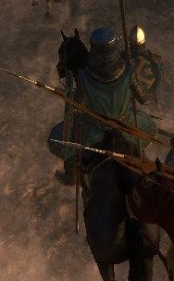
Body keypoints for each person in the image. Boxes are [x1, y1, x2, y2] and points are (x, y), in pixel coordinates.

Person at [49, 27, 158, 180]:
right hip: (124, 124)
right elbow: (143, 98)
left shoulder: (83, 75)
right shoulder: (128, 71)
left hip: (95, 130)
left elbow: (78, 104)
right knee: (144, 131)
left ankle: (71, 174)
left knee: (64, 138)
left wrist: (71, 95)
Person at [128, 25, 165, 105]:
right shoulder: (154, 60)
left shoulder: (121, 58)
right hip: (147, 104)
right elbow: (159, 80)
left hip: (127, 104)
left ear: (129, 42)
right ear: (144, 43)